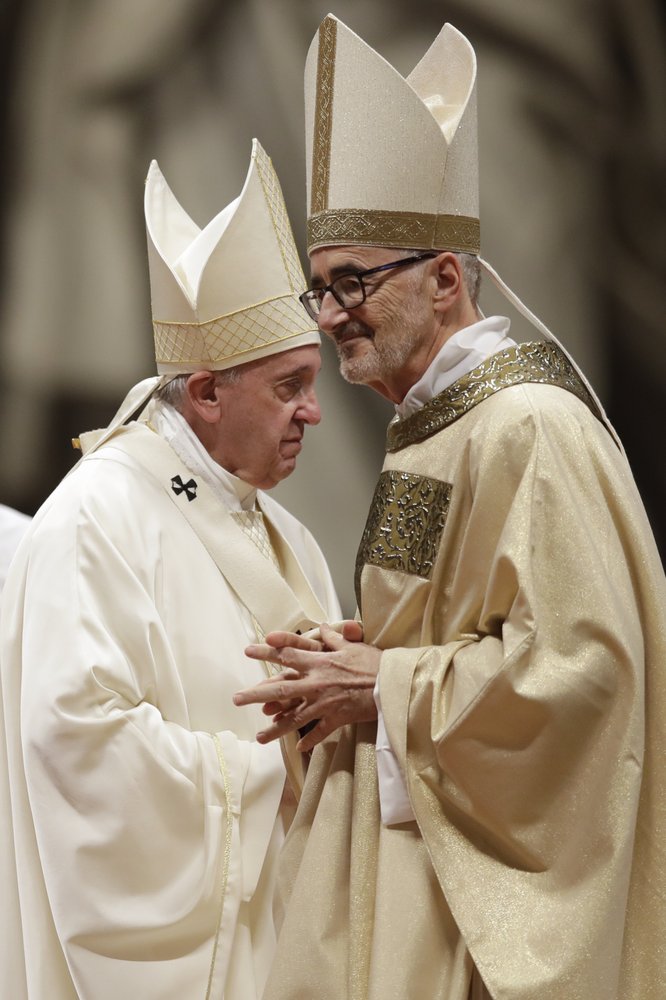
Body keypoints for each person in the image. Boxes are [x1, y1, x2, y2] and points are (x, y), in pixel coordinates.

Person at [233, 18, 666, 1000]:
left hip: (463, 913)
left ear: (442, 276)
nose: (334, 312)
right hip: (402, 865)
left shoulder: (529, 428)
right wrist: (350, 657)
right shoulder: (434, 428)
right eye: (319, 288)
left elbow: (586, 672)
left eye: (355, 282)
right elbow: (464, 627)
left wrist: (386, 682)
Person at [0, 138, 340, 1000]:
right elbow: (77, 744)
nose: (314, 412)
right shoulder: (96, 519)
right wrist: (277, 774)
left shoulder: (288, 538)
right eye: (291, 384)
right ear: (206, 393)